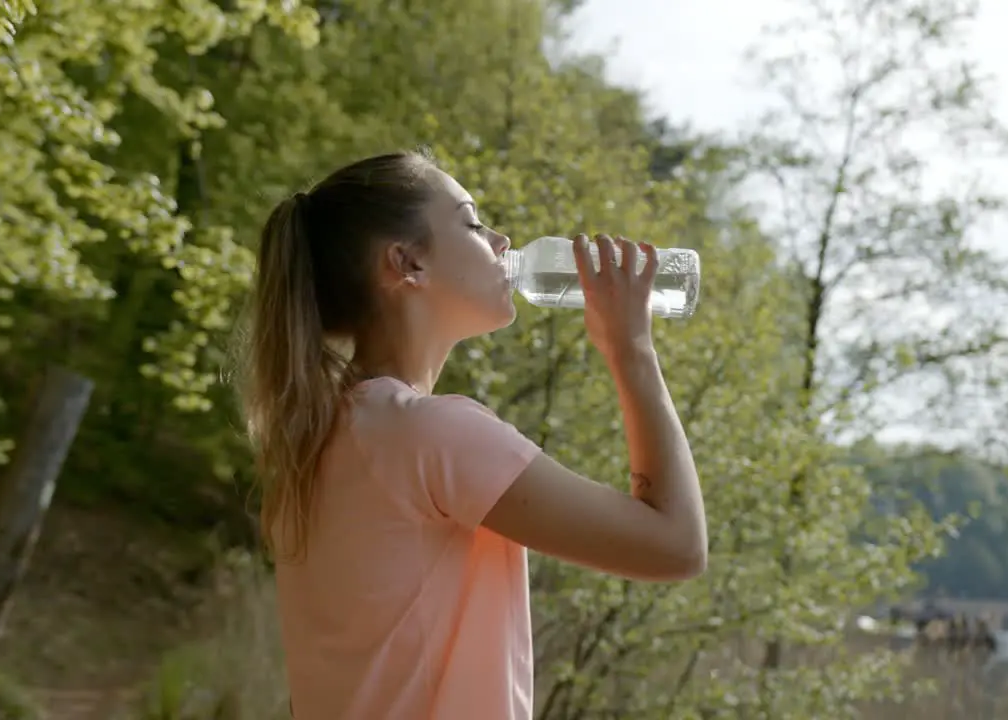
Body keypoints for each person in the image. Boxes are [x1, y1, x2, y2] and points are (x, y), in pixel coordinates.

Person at [231, 150, 707, 720]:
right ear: (407, 264)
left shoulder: (317, 442)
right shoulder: (431, 433)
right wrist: (631, 348)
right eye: (472, 222)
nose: (502, 239)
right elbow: (675, 545)